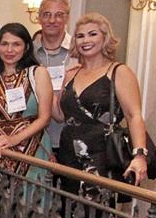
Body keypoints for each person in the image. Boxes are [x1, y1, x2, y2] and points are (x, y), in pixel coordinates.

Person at [53, 12, 149, 193]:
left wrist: (139, 155)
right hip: (68, 154)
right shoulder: (71, 74)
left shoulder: (119, 71)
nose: (85, 40)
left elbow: (134, 115)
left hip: (101, 155)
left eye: (92, 34)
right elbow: (59, 115)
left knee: (95, 208)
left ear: (105, 37)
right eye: (80, 36)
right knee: (67, 207)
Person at [0, 23, 53, 181]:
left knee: (32, 194)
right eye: (4, 44)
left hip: (34, 151)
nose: (9, 50)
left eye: (16, 44)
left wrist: (13, 140)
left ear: (26, 47)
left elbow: (44, 118)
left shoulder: (38, 73)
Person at [33, 0, 74, 155]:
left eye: (59, 15)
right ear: (39, 18)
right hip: (35, 140)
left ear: (67, 18)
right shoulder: (28, 53)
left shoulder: (79, 51)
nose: (52, 20)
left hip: (71, 139)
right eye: (46, 14)